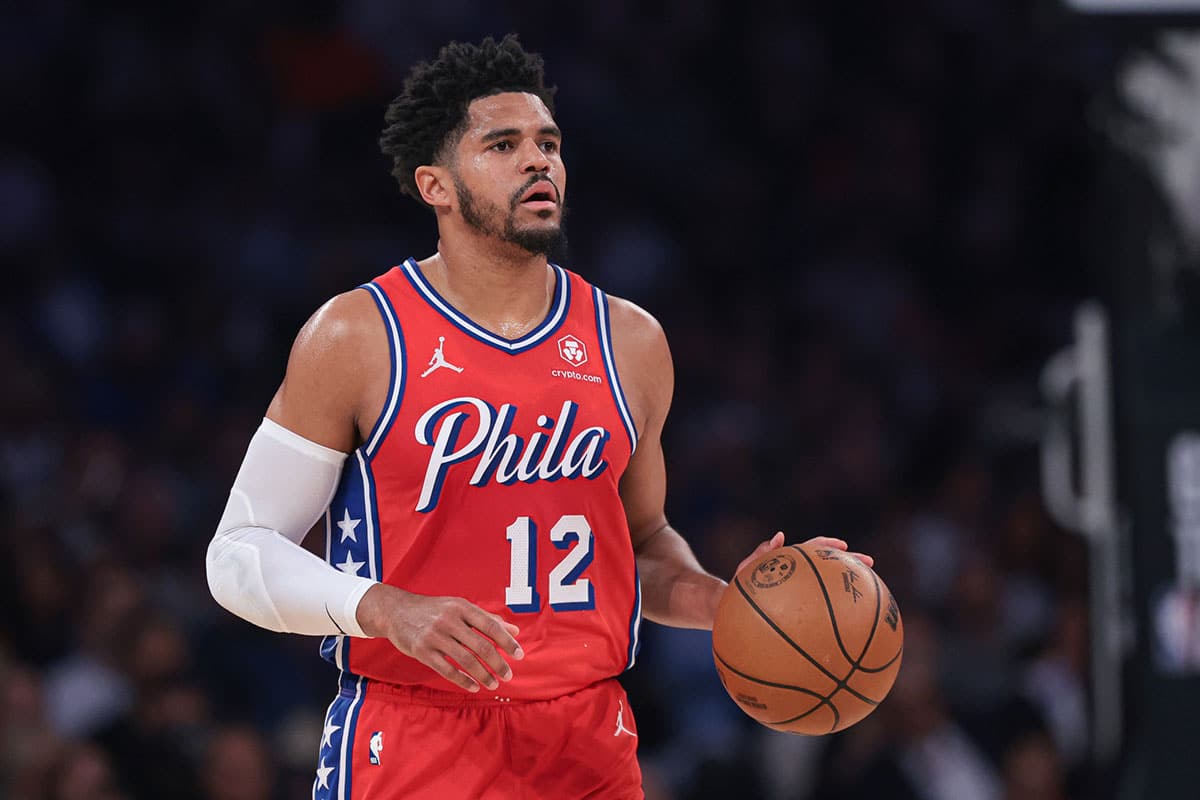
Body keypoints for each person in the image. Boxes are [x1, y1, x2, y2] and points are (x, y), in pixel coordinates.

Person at [205, 34, 871, 799]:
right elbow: (237, 554)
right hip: (417, 736)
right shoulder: (358, 335)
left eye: (548, 142)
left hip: (587, 741)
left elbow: (642, 544)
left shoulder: (631, 340)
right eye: (503, 144)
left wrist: (732, 603)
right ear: (436, 186)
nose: (539, 160)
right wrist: (382, 608)